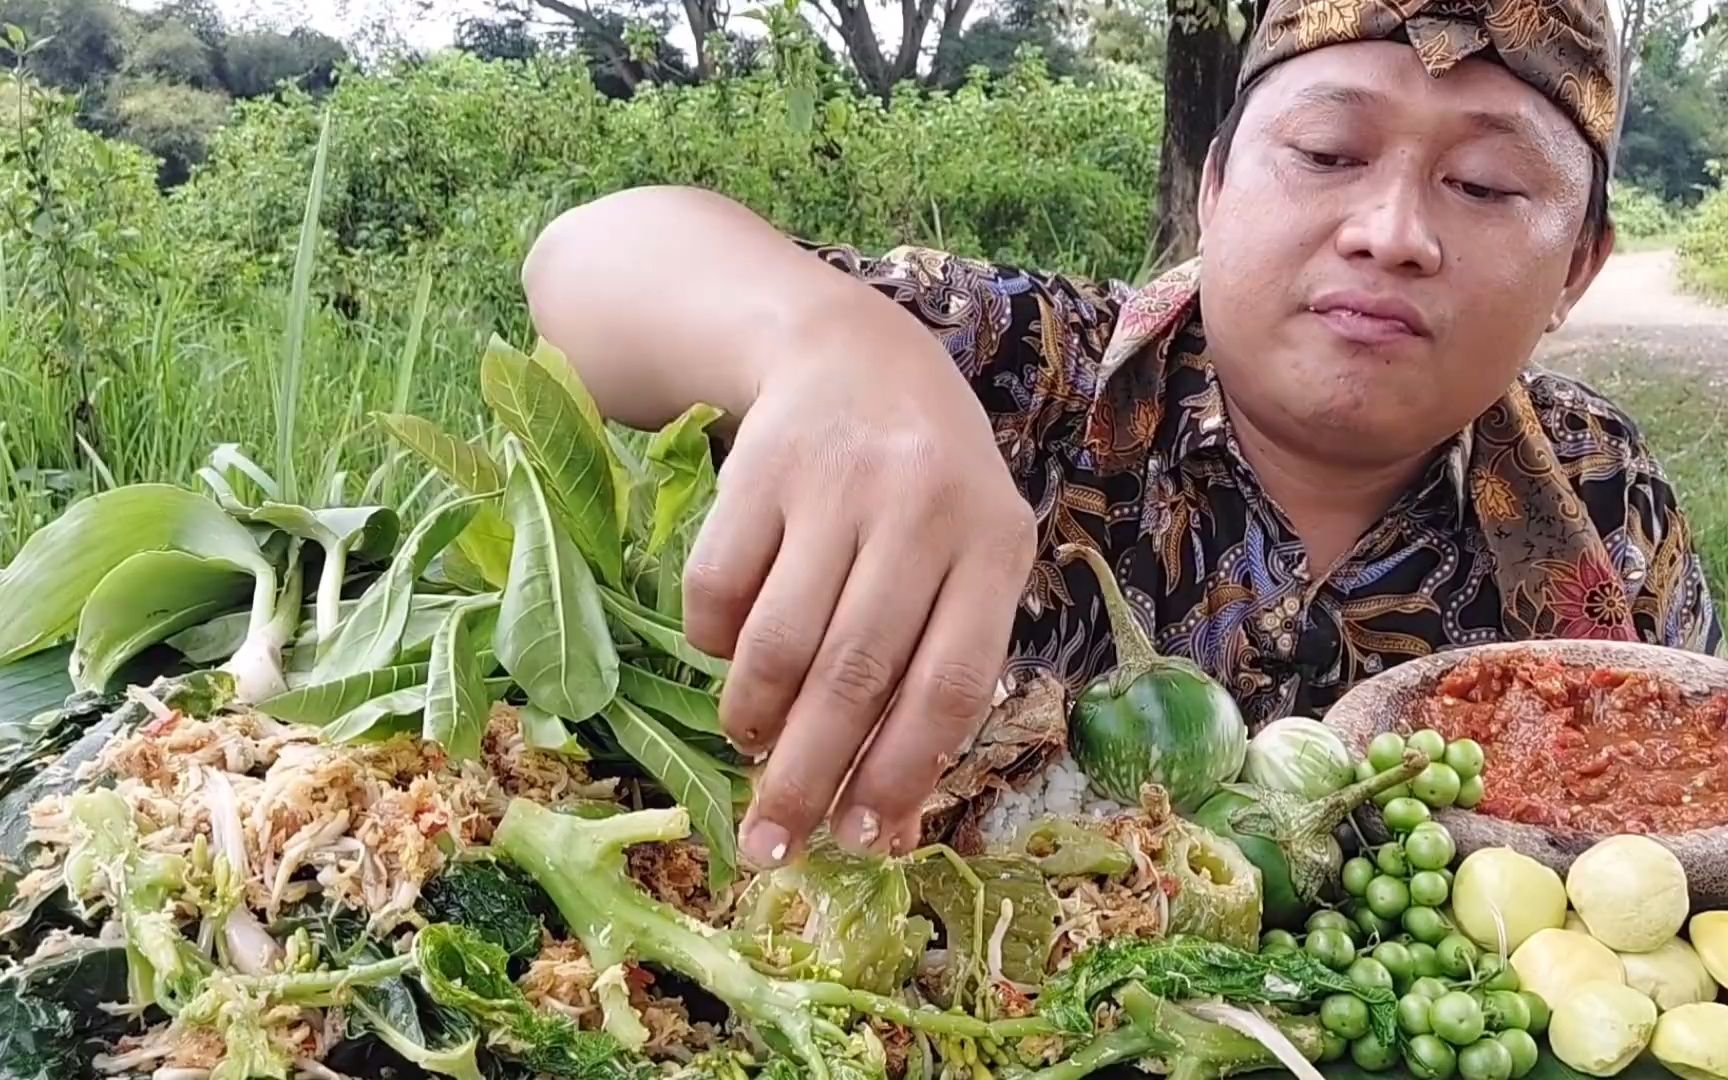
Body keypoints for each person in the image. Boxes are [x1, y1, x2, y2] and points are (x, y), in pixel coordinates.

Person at [520, 0, 1723, 871]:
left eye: (1485, 187)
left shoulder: (1602, 497)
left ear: (1577, 265)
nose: (1391, 230)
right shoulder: (1021, 362)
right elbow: (589, 262)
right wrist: (828, 346)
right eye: (1326, 153)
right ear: (1213, 189)